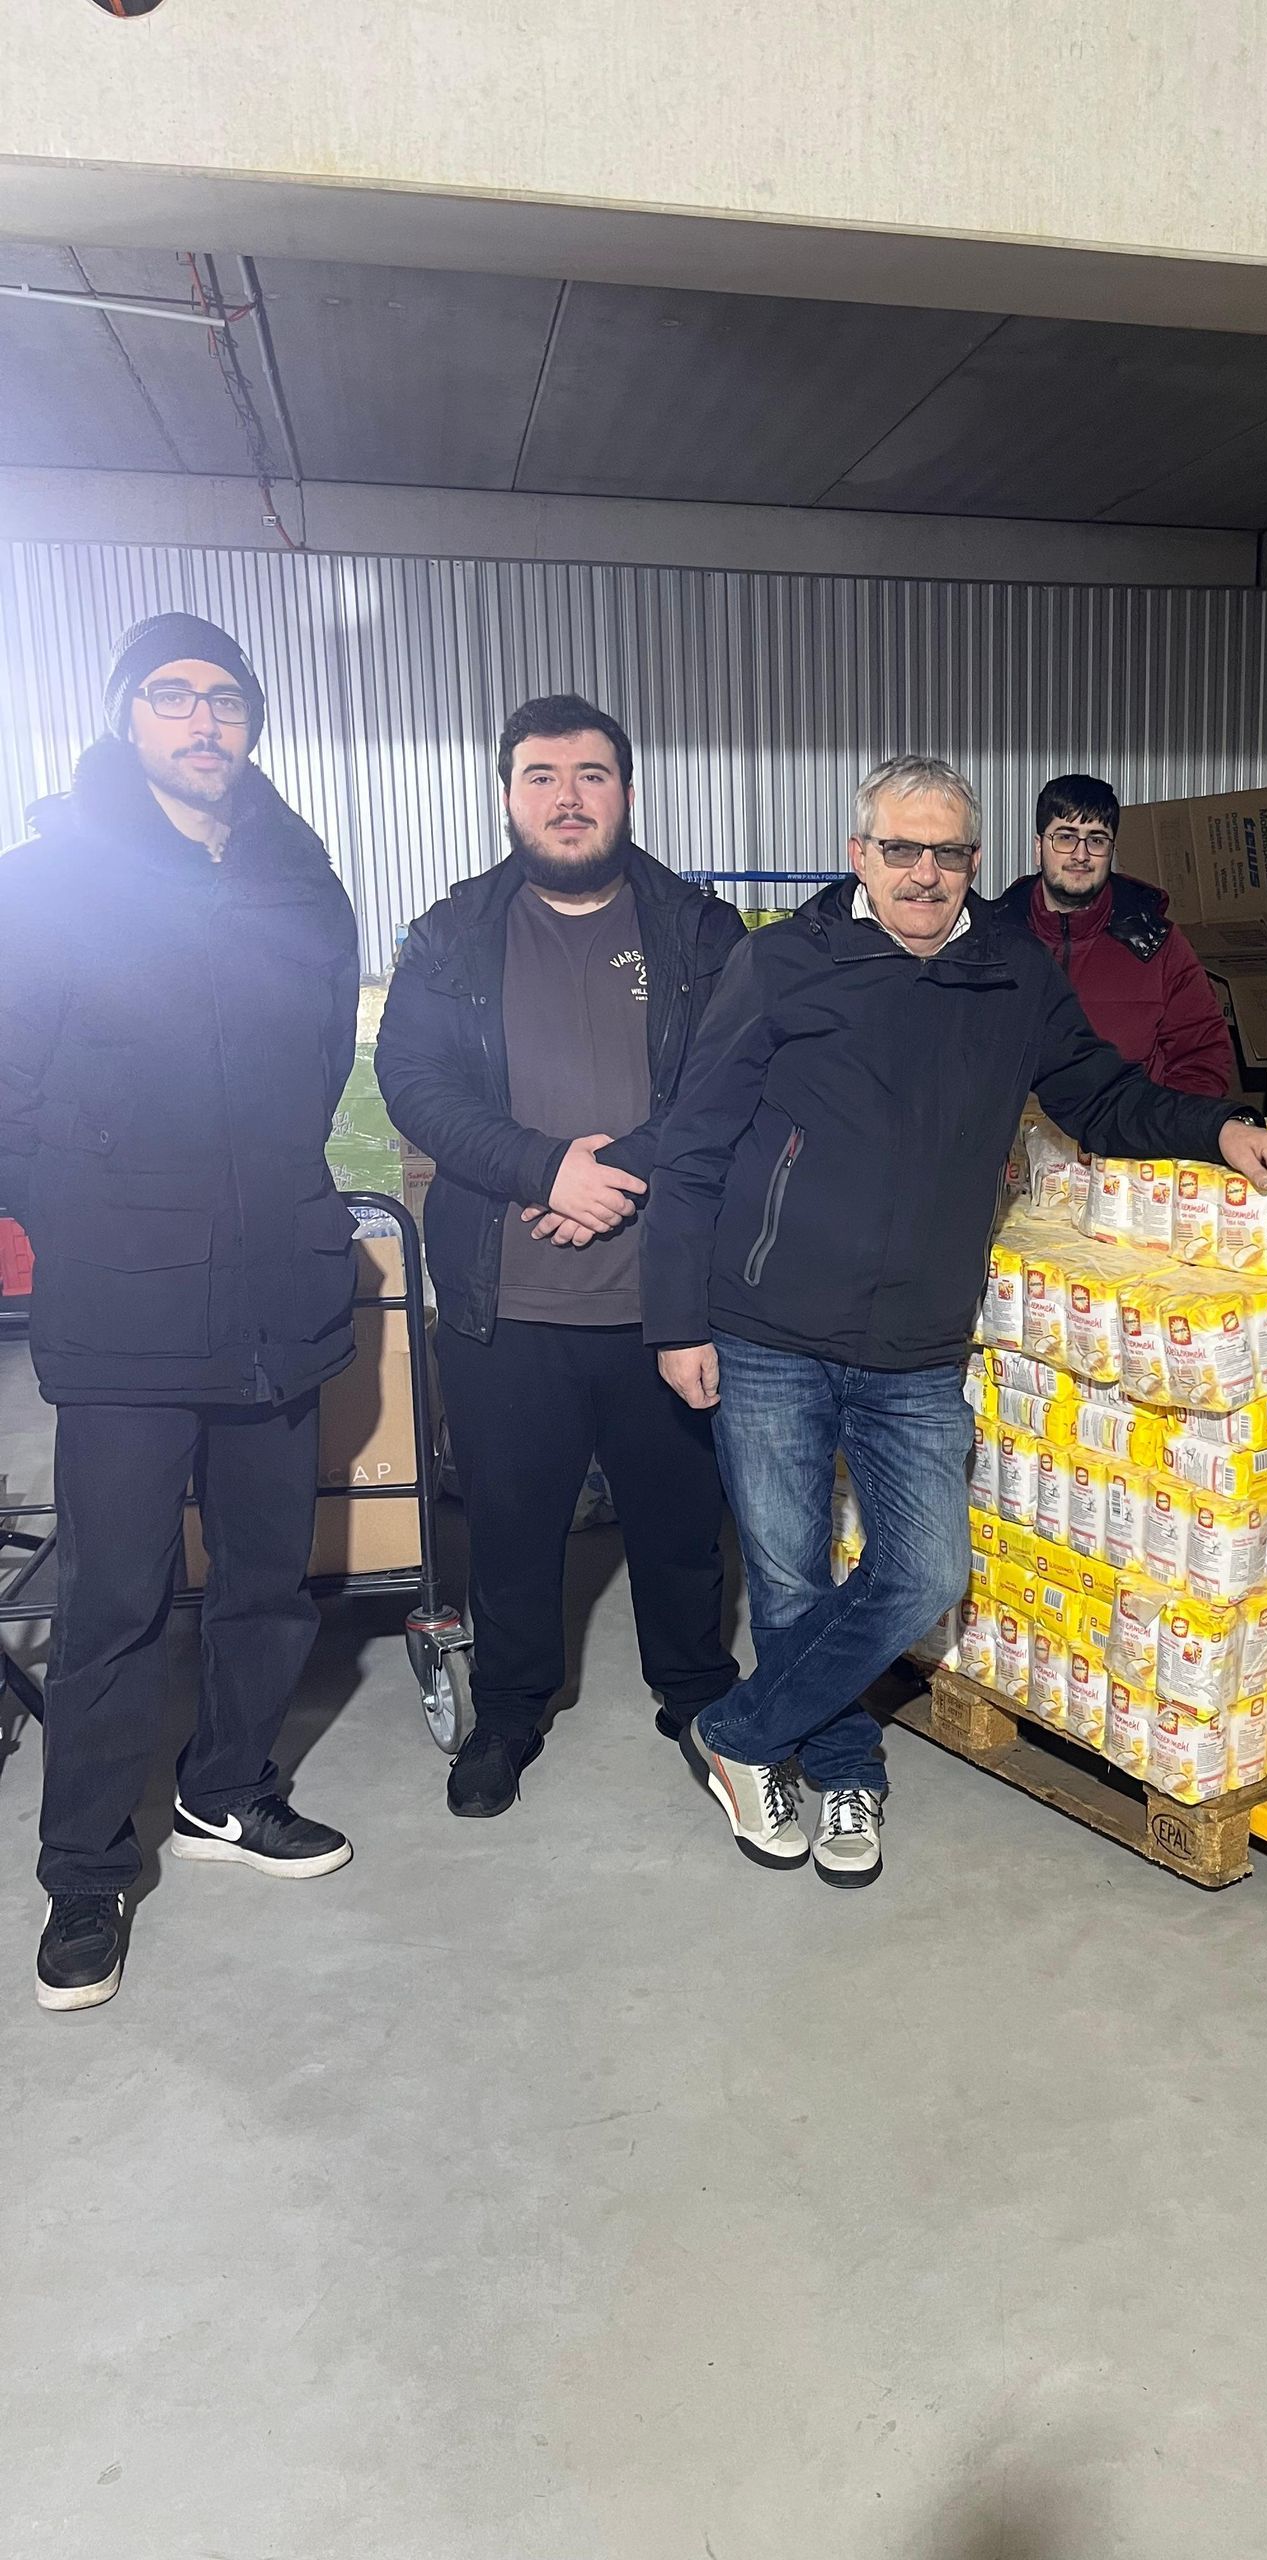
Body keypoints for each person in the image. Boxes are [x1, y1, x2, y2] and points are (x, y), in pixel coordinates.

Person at [644, 753, 1267, 1890]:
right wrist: (675, 1320)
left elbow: (1101, 1094)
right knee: (791, 1578)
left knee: (924, 1574)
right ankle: (843, 1764)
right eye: (900, 849)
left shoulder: (1013, 975)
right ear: (859, 855)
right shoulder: (781, 964)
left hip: (913, 1340)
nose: (924, 873)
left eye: (947, 852)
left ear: (975, 860)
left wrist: (1220, 1126)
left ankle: (739, 1733)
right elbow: (694, 1144)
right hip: (768, 1327)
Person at [0, 613, 361, 2013]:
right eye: (172, 695)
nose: (204, 719)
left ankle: (226, 1791)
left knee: (267, 1576)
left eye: (226, 698)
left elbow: (320, 1061)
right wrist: (99, 1207)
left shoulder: (298, 878)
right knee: (116, 1597)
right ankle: (85, 1872)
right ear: (126, 716)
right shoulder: (48, 883)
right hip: (125, 1302)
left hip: (275, 1282)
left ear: (251, 722)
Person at [376, 695, 745, 1819]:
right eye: (541, 775)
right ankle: (509, 1708)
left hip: (663, 1300)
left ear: (626, 793)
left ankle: (696, 1692)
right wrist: (544, 1170)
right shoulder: (450, 932)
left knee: (681, 1525)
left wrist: (611, 1175)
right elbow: (415, 1084)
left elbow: (732, 1082)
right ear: (507, 796)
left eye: (592, 775)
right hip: (507, 1302)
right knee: (510, 1523)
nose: (568, 797)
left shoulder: (700, 932)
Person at [985, 772, 1237, 1094]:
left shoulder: (1155, 942)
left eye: (1096, 840)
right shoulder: (991, 941)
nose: (1080, 855)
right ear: (1039, 848)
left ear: (1111, 852)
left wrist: (1159, 1121)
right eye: (1065, 837)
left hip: (1129, 1126)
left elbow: (1203, 1058)